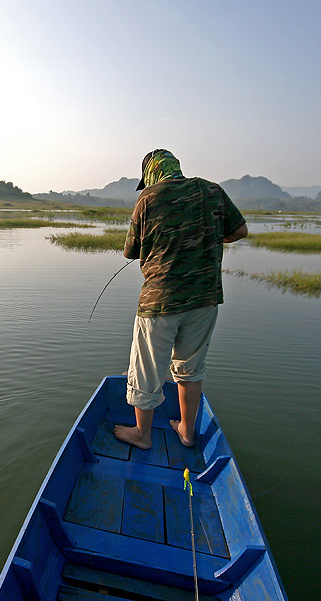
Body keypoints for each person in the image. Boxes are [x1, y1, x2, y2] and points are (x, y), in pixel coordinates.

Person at [113, 149, 247, 450]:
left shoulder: (148, 197)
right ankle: (187, 431)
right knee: (190, 367)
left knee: (147, 368)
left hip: (160, 302)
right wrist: (211, 237)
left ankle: (142, 435)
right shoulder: (212, 190)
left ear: (152, 173)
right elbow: (240, 230)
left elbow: (130, 252)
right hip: (204, 298)